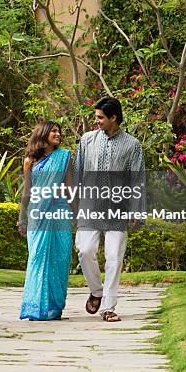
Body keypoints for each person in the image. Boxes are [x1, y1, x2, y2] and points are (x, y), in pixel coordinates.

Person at [73, 97, 146, 322]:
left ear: (114, 117)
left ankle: (108, 307)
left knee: (114, 257)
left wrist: (136, 210)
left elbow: (137, 179)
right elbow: (77, 173)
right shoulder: (86, 140)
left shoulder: (132, 145)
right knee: (85, 250)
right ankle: (96, 291)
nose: (96, 121)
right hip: (90, 207)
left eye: (100, 117)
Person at [17, 120, 74, 321]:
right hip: (37, 214)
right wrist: (21, 219)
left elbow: (69, 188)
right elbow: (27, 191)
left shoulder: (65, 157)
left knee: (60, 258)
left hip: (59, 212)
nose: (58, 134)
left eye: (59, 131)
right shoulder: (30, 161)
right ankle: (35, 307)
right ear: (43, 134)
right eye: (54, 131)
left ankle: (53, 308)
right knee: (38, 257)